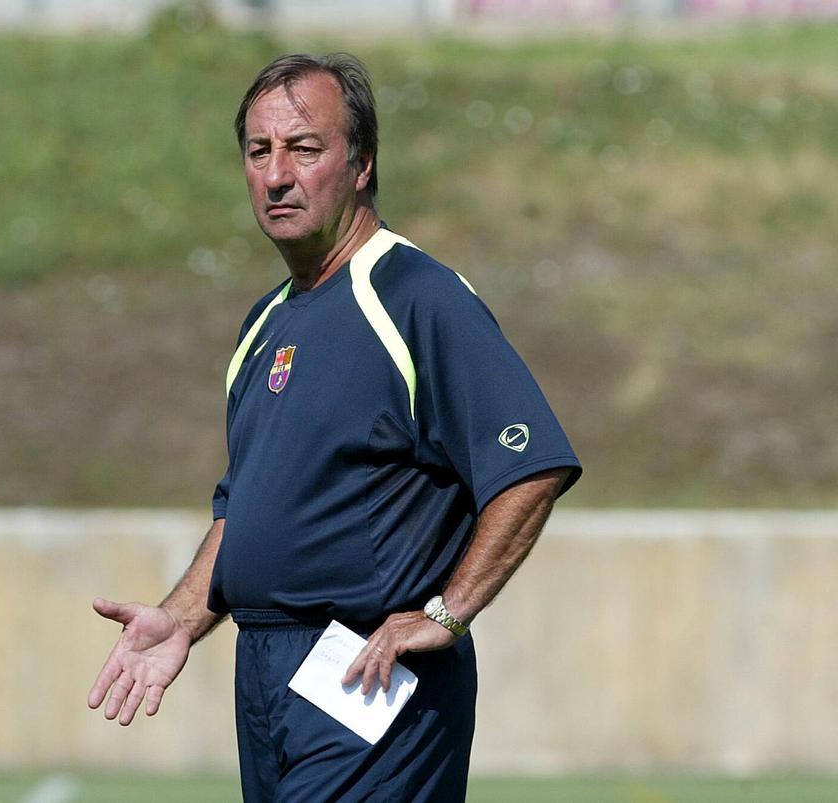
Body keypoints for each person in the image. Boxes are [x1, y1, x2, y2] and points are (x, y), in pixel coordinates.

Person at [88, 53, 581, 801]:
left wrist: (447, 612)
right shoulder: (266, 322)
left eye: (305, 148)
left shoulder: (417, 297)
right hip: (264, 673)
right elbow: (246, 507)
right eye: (260, 151)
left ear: (361, 163)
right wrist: (182, 616)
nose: (277, 174)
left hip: (370, 672)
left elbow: (531, 465)